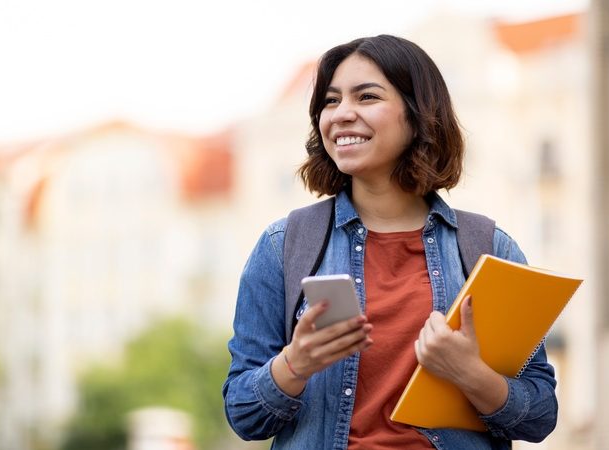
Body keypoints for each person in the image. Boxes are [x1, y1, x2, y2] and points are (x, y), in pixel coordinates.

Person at [222, 35, 558, 449]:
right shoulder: (283, 245)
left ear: (418, 115)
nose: (342, 114)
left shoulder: (488, 247)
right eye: (330, 101)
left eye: (366, 97)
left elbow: (540, 416)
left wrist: (469, 373)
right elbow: (243, 414)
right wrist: (296, 364)